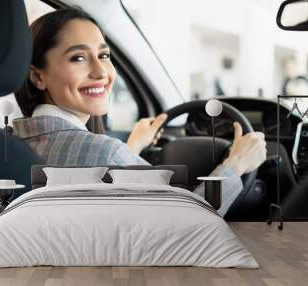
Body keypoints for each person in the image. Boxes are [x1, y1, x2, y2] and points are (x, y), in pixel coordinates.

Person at [13, 8, 267, 216]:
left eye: (103, 55)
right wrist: (236, 164)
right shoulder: (106, 152)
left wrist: (130, 150)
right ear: (37, 76)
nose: (101, 72)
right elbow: (185, 226)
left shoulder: (12, 143)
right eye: (78, 58)